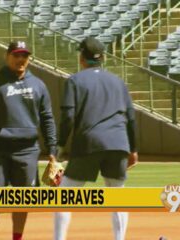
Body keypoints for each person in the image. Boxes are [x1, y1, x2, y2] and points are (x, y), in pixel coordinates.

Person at [54, 37, 138, 240]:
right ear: (102, 58)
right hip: (118, 143)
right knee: (117, 195)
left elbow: (68, 117)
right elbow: (131, 118)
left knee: (65, 196)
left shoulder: (75, 80)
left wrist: (58, 149)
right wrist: (133, 149)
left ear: (82, 57)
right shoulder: (118, 82)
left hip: (89, 142)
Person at [0, 41, 57, 240]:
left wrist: (52, 150)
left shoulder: (38, 85)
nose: (21, 59)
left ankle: (17, 237)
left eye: (25, 55)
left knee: (24, 200)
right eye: (16, 55)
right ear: (7, 56)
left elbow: (47, 117)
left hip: (28, 150)